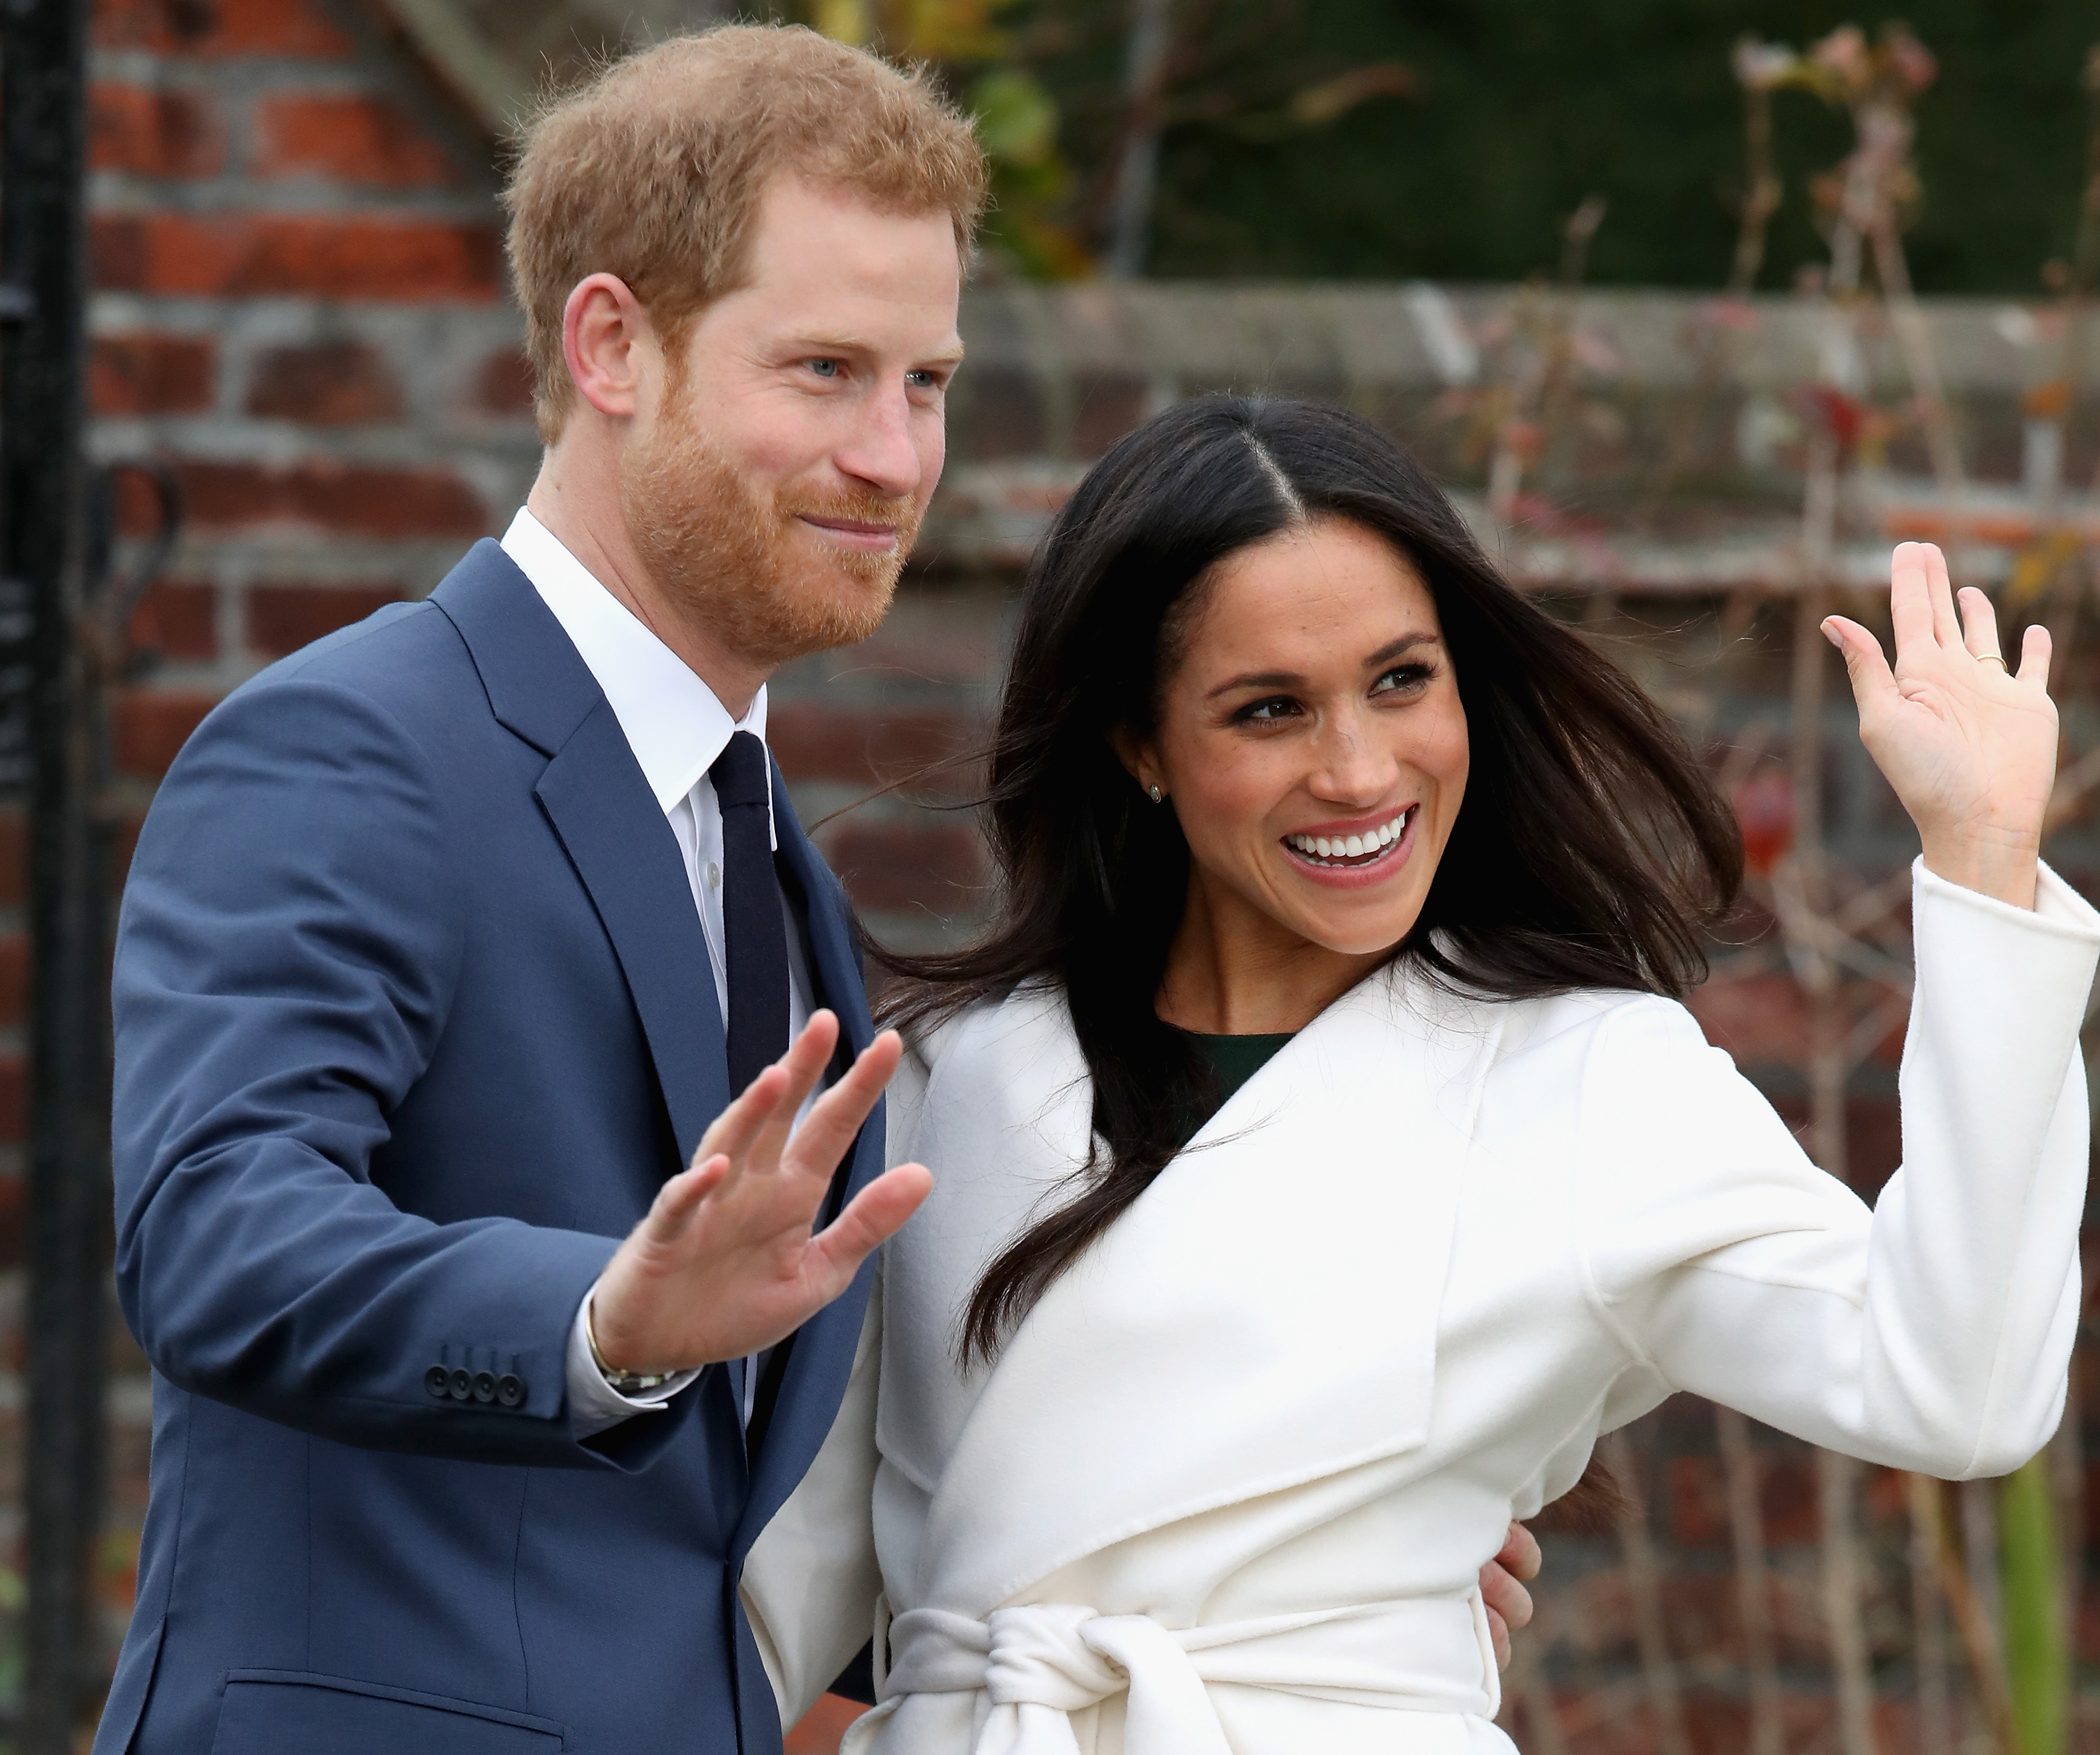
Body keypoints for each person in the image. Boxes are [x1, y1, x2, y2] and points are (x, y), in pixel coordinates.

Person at [738, 395, 2100, 1754]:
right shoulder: (944, 1081)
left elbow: (1957, 1385)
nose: (1359, 770)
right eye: (1268, 710)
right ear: (1138, 745)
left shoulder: (1586, 1084)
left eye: (1402, 681)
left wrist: (1982, 858)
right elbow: (777, 1602)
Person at [94, 28, 980, 1755]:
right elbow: (211, 1232)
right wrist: (598, 1326)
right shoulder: (351, 745)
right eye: (822, 370)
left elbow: (759, 1490)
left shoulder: (761, 839)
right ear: (610, 345)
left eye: (926, 381)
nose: (894, 456)